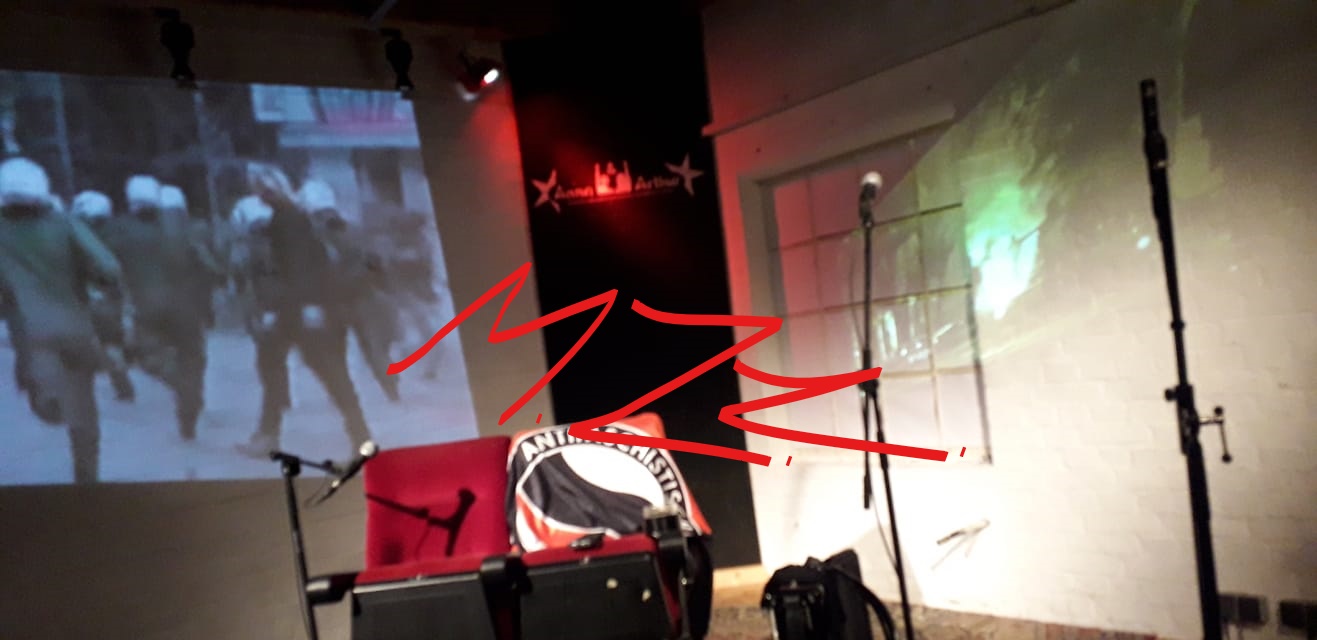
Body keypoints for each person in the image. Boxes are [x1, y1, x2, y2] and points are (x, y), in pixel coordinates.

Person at [234, 163, 373, 459]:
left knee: (322, 372)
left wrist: (303, 307)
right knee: (292, 369)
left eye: (262, 188)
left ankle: (359, 436)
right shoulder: (288, 217)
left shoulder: (287, 219)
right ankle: (271, 434)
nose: (260, 193)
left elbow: (299, 269)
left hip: (298, 310)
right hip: (299, 308)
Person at [0, 158, 124, 483]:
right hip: (75, 330)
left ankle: (49, 399)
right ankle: (87, 482)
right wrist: (91, 282)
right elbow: (108, 268)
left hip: (31, 335)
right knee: (83, 412)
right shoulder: (64, 223)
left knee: (48, 401)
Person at [96, 174, 212, 442]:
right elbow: (208, 265)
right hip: (186, 306)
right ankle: (189, 409)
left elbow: (105, 267)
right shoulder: (180, 227)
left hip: (146, 307)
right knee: (193, 358)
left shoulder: (119, 230)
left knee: (149, 356)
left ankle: (180, 384)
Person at [298, 178, 401, 402]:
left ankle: (348, 395)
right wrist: (383, 287)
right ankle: (391, 389)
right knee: (372, 348)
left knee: (338, 351)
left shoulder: (310, 234)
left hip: (336, 300)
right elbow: (375, 261)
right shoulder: (352, 229)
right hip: (361, 295)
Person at [69, 190, 136, 402]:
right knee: (112, 339)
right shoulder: (121, 234)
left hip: (96, 293)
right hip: (118, 293)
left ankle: (121, 382)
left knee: (105, 342)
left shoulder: (84, 239)